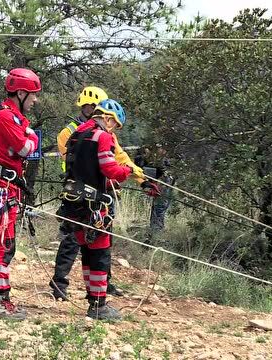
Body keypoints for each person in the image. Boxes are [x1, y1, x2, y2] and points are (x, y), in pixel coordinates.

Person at [50, 87, 161, 301]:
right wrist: (125, 173)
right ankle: (63, 284)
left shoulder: (94, 133)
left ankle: (100, 287)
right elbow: (104, 165)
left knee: (99, 243)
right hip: (84, 193)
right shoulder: (75, 132)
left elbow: (121, 157)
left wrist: (142, 180)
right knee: (78, 242)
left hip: (95, 193)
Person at [58, 99, 134, 320]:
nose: (114, 130)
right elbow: (109, 168)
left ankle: (94, 299)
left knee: (86, 251)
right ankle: (98, 304)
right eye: (115, 125)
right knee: (99, 252)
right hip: (94, 205)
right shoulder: (102, 136)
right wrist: (126, 171)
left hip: (73, 202)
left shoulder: (76, 134)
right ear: (108, 118)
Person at [0, 68, 41, 320]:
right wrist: (31, 136)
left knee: (7, 244)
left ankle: (2, 297)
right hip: (1, 186)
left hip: (9, 185)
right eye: (33, 95)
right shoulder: (5, 117)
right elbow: (26, 148)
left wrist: (28, 133)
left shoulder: (14, 117)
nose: (35, 100)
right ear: (21, 92)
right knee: (0, 242)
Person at [134, 145, 175, 234]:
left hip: (164, 177)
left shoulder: (162, 157)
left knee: (160, 205)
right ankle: (156, 231)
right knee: (159, 206)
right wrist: (147, 184)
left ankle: (156, 230)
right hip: (160, 176)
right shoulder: (145, 156)